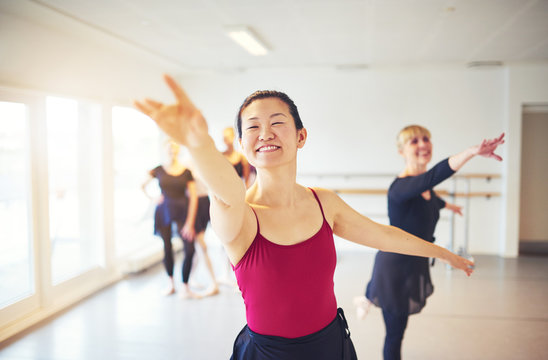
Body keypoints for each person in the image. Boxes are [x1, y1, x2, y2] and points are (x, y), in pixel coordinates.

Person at [134, 75, 475, 360]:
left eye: (277, 123)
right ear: (242, 144)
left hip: (331, 346)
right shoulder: (240, 216)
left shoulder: (323, 203)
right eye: (253, 127)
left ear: (301, 136)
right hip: (269, 353)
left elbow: (385, 235)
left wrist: (444, 254)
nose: (265, 133)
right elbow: (226, 189)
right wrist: (198, 144)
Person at [361, 125, 505, 360]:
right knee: (395, 334)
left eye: (425, 139)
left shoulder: (426, 190)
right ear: (401, 152)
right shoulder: (400, 188)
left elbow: (432, 199)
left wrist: (449, 206)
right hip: (394, 268)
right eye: (413, 141)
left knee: (401, 327)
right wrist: (471, 152)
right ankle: (370, 295)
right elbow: (433, 176)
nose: (422, 144)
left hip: (415, 265)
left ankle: (368, 295)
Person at [141, 139, 199, 298]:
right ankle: (171, 284)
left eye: (175, 148)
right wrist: (152, 198)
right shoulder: (158, 170)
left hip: (182, 211)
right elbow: (142, 185)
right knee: (167, 247)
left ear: (178, 150)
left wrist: (190, 222)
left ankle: (185, 286)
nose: (172, 151)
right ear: (165, 150)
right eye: (169, 148)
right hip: (163, 211)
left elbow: (193, 197)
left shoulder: (186, 171)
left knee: (190, 248)